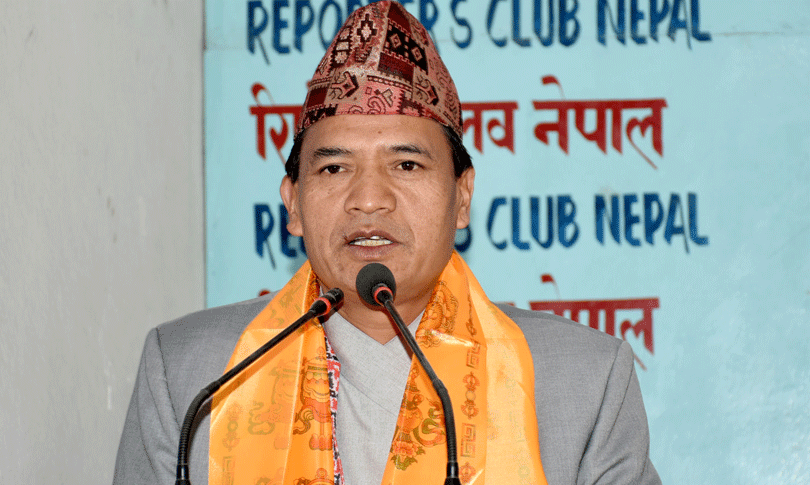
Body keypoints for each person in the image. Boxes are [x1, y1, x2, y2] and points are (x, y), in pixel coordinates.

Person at [113, 2, 660, 484]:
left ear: (462, 197)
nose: (369, 199)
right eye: (334, 168)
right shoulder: (193, 376)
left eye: (406, 164)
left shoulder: (583, 380)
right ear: (293, 203)